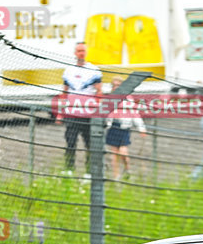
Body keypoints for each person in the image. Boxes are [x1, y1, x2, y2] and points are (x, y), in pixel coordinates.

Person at [57, 42, 102, 170]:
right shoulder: (68, 71)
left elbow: (99, 92)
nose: (81, 53)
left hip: (88, 114)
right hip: (72, 113)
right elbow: (64, 92)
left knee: (90, 144)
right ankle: (69, 170)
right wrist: (60, 113)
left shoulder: (94, 70)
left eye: (83, 51)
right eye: (79, 51)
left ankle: (89, 170)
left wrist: (98, 111)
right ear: (75, 53)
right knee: (70, 143)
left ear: (86, 52)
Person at [105, 77, 146, 180]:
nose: (116, 87)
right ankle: (116, 176)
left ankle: (127, 169)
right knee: (114, 154)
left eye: (118, 85)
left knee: (123, 152)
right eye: (114, 85)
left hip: (124, 127)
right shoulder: (110, 98)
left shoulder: (128, 99)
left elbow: (135, 114)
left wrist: (141, 128)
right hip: (113, 126)